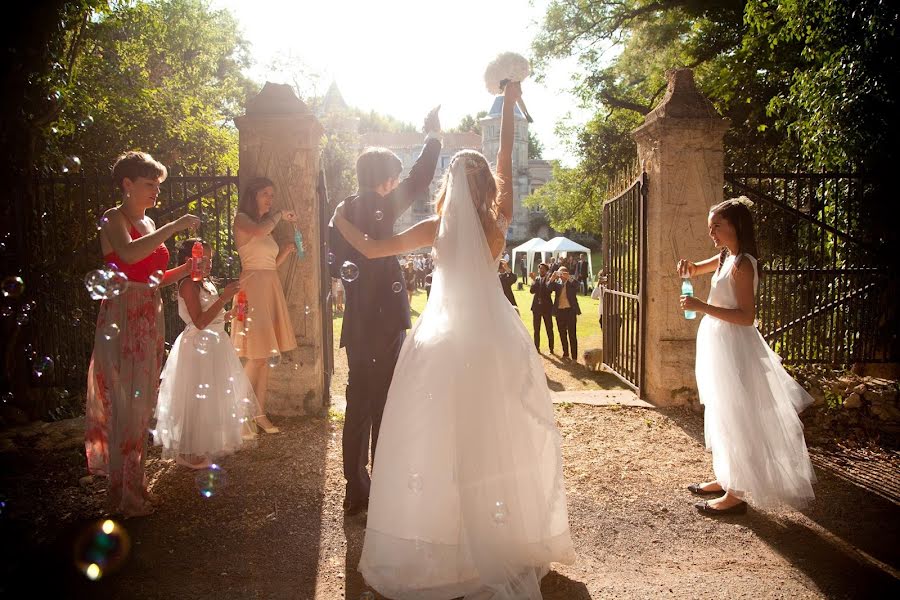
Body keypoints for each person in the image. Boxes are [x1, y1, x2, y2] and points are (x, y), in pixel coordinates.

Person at [333, 81, 574, 599]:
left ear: (449, 185)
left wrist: (339, 223)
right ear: (485, 184)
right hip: (494, 338)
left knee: (438, 434)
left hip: (442, 340)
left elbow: (374, 251)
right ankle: (501, 535)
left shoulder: (434, 226)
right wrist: (508, 108)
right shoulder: (499, 220)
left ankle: (451, 539)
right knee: (498, 432)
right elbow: (505, 157)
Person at [328, 107, 443, 517]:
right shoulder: (380, 204)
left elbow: (333, 262)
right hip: (385, 320)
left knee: (358, 402)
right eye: (393, 177)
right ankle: (383, 485)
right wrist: (432, 136)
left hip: (358, 323)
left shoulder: (342, 210)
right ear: (385, 179)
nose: (397, 182)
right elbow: (422, 176)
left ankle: (356, 489)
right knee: (384, 403)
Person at [679, 197, 816, 515]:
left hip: (735, 347)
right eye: (709, 226)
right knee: (720, 411)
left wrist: (702, 307)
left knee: (737, 414)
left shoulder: (744, 264)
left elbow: (746, 317)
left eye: (717, 226)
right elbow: (698, 269)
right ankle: (727, 477)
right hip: (718, 344)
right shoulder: (727, 256)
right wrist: (688, 268)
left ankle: (736, 493)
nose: (711, 232)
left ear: (735, 226)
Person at [85, 151, 200, 517]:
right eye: (150, 185)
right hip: (122, 315)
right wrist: (175, 226)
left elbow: (152, 278)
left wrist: (185, 269)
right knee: (125, 405)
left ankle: (135, 485)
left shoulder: (149, 223)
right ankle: (123, 497)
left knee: (141, 405)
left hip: (148, 314)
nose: (155, 193)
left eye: (158, 186)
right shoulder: (112, 219)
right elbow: (130, 256)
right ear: (127, 184)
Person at [154, 239, 259, 469]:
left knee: (213, 397)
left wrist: (232, 312)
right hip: (198, 347)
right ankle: (188, 452)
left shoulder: (207, 284)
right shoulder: (187, 286)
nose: (209, 263)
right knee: (195, 400)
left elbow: (215, 317)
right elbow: (200, 322)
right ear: (188, 260)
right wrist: (224, 297)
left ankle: (205, 444)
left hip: (216, 344)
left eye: (211, 259)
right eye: (204, 259)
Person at [230, 177, 298, 435]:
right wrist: (280, 214)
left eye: (273, 194)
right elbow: (259, 233)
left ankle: (259, 414)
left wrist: (285, 253)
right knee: (255, 356)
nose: (270, 198)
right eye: (265, 194)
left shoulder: (264, 225)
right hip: (252, 288)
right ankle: (240, 414)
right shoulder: (242, 219)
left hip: (269, 286)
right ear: (253, 196)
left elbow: (268, 264)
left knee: (264, 355)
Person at [550, 266, 581, 361]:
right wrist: (552, 278)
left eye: (562, 273)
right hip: (559, 311)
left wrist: (569, 277)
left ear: (567, 273)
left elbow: (578, 286)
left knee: (572, 334)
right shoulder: (557, 283)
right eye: (559, 273)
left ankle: (574, 357)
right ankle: (566, 353)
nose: (561, 275)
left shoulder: (571, 282)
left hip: (570, 311)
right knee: (562, 333)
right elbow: (548, 288)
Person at [529, 263, 555, 354]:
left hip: (546, 308)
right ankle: (536, 348)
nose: (541, 270)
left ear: (546, 270)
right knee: (536, 329)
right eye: (539, 269)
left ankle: (551, 349)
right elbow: (532, 291)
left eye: (543, 269)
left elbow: (548, 290)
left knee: (549, 329)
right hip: (536, 308)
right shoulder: (536, 279)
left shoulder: (549, 280)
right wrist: (533, 281)